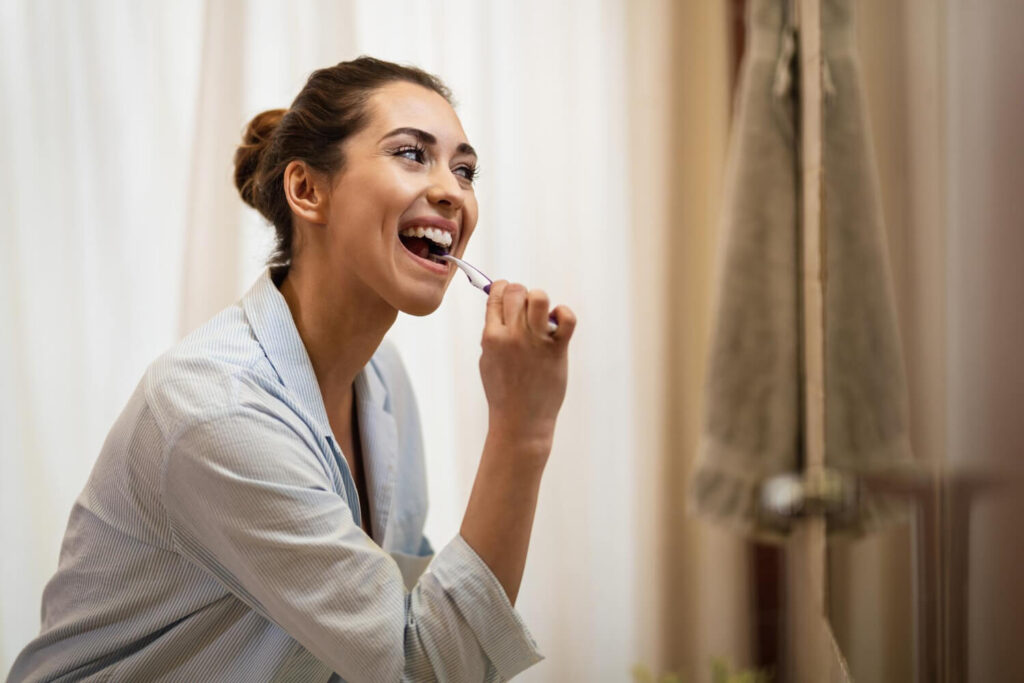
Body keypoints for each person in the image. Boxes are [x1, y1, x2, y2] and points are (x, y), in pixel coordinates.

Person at [9, 56, 575, 682]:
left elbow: (397, 630)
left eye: (464, 170)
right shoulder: (215, 408)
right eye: (412, 155)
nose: (451, 190)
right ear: (308, 190)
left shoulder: (382, 382)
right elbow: (421, 667)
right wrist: (522, 432)